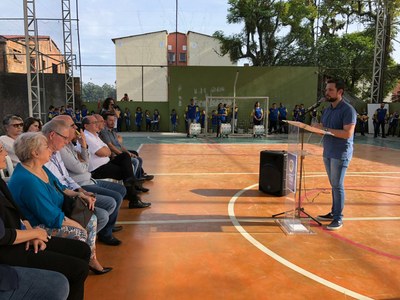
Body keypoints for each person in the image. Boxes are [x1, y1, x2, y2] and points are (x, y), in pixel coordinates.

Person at [8, 132, 112, 275]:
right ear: (35, 153)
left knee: (92, 219)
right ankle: (72, 269)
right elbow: (50, 216)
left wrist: (79, 194)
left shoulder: (40, 168)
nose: (50, 149)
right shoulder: (28, 181)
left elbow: (61, 187)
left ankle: (90, 259)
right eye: (46, 147)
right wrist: (77, 225)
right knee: (79, 233)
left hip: (54, 213)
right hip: (36, 224)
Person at [0, 142, 91, 299]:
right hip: (8, 250)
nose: (6, 154)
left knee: (82, 250)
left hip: (21, 236)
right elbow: (2, 236)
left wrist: (31, 233)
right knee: (78, 269)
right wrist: (34, 233)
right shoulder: (27, 180)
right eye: (1, 150)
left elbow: (19, 213)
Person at [47, 115, 127, 246]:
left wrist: (84, 149)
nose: (76, 128)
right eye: (72, 126)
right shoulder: (60, 149)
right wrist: (84, 147)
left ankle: (105, 229)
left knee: (121, 189)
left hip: (85, 180)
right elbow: (82, 167)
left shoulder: (68, 146)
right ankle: (103, 234)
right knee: (112, 201)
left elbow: (83, 165)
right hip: (81, 181)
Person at [313, 78, 357, 231]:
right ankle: (333, 212)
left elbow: (347, 134)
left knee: (337, 185)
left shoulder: (348, 110)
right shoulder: (328, 110)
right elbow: (325, 131)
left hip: (340, 153)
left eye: (330, 90)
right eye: (326, 90)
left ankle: (338, 218)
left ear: (340, 92)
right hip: (328, 151)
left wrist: (324, 129)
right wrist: (317, 129)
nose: (327, 93)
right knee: (333, 185)